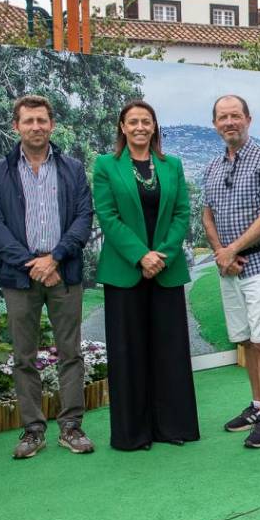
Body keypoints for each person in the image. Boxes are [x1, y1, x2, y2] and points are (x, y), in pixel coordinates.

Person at [0, 94, 96, 459]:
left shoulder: (72, 168)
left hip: (65, 272)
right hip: (20, 277)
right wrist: (34, 263)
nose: (36, 127)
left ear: (52, 125)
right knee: (23, 356)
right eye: (28, 121)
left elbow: (84, 217)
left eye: (42, 120)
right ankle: (33, 430)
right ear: (16, 126)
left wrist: (55, 258)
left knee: (70, 353)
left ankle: (71, 426)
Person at [92, 100, 200, 451]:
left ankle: (172, 426)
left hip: (166, 270)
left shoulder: (172, 166)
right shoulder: (106, 165)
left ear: (154, 127)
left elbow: (182, 213)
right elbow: (108, 216)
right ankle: (133, 434)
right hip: (124, 271)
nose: (140, 127)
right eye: (133, 121)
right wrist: (141, 255)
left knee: (170, 351)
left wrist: (162, 255)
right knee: (128, 352)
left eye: (146, 121)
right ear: (122, 127)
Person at [201, 94, 260, 449]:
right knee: (248, 341)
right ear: (215, 124)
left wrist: (232, 250)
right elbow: (207, 216)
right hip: (230, 267)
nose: (229, 122)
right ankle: (255, 406)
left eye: (235, 115)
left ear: (248, 119)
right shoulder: (211, 167)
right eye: (223, 117)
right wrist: (222, 254)